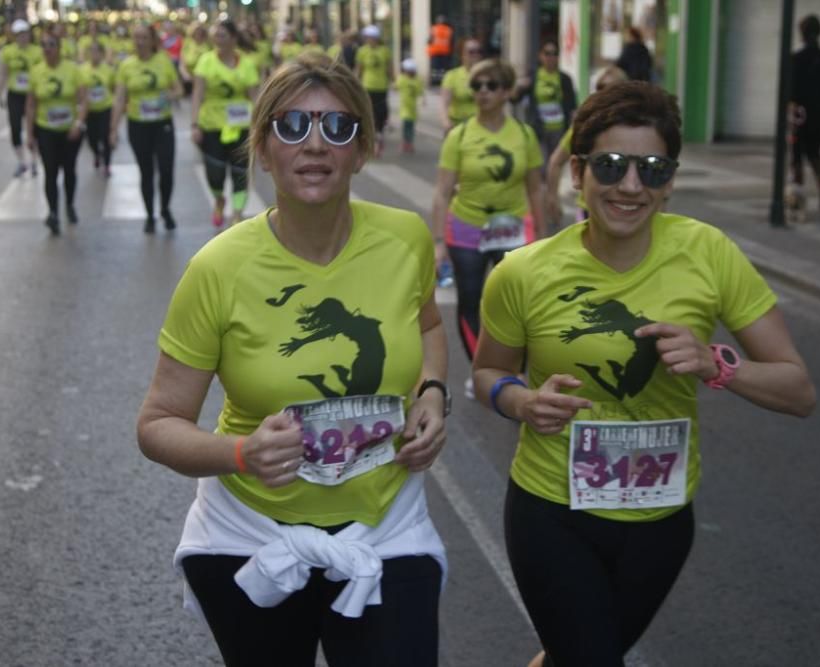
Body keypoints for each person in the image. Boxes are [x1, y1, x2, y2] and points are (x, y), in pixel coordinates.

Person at [471, 81, 816, 667]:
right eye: (610, 165)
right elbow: (488, 374)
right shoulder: (523, 272)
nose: (630, 186)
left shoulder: (708, 252)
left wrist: (717, 364)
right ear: (577, 173)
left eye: (653, 169)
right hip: (552, 512)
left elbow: (798, 390)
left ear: (671, 181)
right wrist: (522, 403)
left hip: (660, 521)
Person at [135, 51, 449, 667]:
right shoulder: (218, 269)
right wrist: (241, 453)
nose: (314, 144)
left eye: (337, 127)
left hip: (385, 527)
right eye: (291, 125)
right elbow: (156, 424)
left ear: (362, 150)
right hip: (252, 535)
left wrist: (433, 392)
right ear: (263, 146)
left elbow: (429, 325)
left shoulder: (404, 238)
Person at [430, 58, 544, 397]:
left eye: (491, 86)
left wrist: (544, 236)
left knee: (517, 304)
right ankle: (481, 372)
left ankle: (514, 370)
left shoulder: (524, 135)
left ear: (507, 92)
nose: (482, 92)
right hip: (466, 228)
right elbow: (441, 192)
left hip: (512, 228)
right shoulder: (460, 135)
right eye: (476, 86)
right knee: (469, 300)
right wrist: (438, 242)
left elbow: (536, 188)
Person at [110, 23, 182, 234]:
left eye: (144, 38)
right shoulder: (126, 65)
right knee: (146, 171)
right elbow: (119, 98)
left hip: (162, 124)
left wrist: (170, 95)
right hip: (138, 125)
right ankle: (150, 215)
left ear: (152, 41)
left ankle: (166, 209)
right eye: (136, 38)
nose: (139, 42)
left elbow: (178, 89)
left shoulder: (164, 60)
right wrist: (113, 129)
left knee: (166, 170)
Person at [190, 19, 259, 229]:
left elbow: (255, 98)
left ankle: (237, 215)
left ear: (233, 39)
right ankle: (219, 199)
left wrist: (258, 127)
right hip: (212, 126)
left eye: (222, 35)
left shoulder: (246, 64)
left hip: (241, 127)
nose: (217, 39)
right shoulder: (205, 61)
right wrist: (194, 124)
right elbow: (197, 94)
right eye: (215, 35)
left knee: (240, 173)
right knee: (215, 174)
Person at [545, 65, 629, 226]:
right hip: (588, 213)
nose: (606, 93)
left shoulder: (637, 129)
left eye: (613, 88)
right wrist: (552, 197)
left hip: (624, 209)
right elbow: (555, 162)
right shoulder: (585, 126)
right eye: (601, 88)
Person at [26, 32, 88, 236]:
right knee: (50, 172)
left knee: (69, 171)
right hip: (46, 130)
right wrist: (29, 133)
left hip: (69, 131)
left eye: (51, 44)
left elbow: (83, 100)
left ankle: (69, 205)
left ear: (59, 47)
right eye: (43, 45)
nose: (47, 48)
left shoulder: (72, 70)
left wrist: (78, 124)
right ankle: (53, 212)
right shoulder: (36, 72)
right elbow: (31, 105)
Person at [789, 14, 820, 209]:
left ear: (802, 33)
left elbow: (790, 90)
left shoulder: (797, 58)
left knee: (797, 157)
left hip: (801, 114)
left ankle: (797, 199)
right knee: (816, 155)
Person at [514, 40, 577, 168]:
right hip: (539, 128)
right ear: (541, 56)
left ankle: (551, 188)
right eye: (547, 53)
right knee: (540, 165)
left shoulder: (564, 78)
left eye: (554, 54)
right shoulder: (533, 77)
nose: (551, 57)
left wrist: (573, 130)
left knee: (555, 164)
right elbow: (514, 98)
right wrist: (519, 86)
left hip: (559, 129)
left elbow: (572, 107)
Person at [0, 19, 42, 178]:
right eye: (19, 35)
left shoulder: (37, 51)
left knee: (34, 129)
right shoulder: (8, 51)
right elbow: (3, 73)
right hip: (15, 94)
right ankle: (21, 162)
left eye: (25, 34)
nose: (23, 37)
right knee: (15, 127)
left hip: (32, 95)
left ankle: (35, 161)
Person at [354, 25, 392, 157]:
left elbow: (389, 68)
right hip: (367, 86)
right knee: (370, 114)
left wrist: (393, 81)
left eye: (370, 38)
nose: (368, 40)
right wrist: (355, 83)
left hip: (382, 87)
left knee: (382, 113)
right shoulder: (362, 51)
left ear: (376, 38)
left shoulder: (385, 51)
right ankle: (373, 141)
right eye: (367, 38)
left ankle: (379, 135)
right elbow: (359, 69)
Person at [81, 40, 115, 176]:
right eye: (92, 51)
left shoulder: (108, 69)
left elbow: (113, 88)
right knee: (91, 139)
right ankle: (97, 153)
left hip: (105, 108)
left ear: (102, 54)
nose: (94, 54)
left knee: (105, 137)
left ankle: (107, 164)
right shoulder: (83, 69)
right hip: (89, 110)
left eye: (97, 51)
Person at [439, 38, 482, 131]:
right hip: (458, 126)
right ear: (462, 55)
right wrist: (446, 121)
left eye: (478, 51)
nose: (475, 55)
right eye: (471, 52)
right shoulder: (452, 76)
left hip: (480, 126)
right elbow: (444, 103)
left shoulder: (486, 76)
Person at [396, 57, 423, 154]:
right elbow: (396, 86)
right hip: (405, 108)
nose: (410, 72)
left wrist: (423, 100)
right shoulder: (402, 79)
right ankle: (404, 143)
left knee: (411, 127)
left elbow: (420, 92)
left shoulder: (417, 80)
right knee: (405, 126)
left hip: (413, 108)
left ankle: (410, 143)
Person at [178, 23, 209, 96]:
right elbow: (182, 63)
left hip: (205, 79)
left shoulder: (208, 44)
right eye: (196, 31)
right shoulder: (187, 43)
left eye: (200, 31)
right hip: (189, 80)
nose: (198, 33)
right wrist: (186, 75)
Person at [426, 15, 453, 87]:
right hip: (445, 52)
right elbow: (451, 41)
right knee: (443, 69)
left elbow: (429, 40)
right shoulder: (449, 30)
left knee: (435, 69)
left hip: (435, 52)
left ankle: (435, 83)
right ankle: (443, 83)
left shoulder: (434, 28)